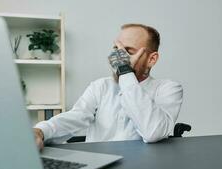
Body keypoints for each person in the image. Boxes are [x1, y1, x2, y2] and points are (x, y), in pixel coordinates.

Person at [33, 23, 183, 150]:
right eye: (116, 50)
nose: (117, 58)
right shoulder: (100, 86)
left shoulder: (168, 89)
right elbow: (76, 117)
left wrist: (125, 71)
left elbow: (153, 132)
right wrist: (40, 131)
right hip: (97, 167)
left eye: (127, 52)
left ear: (152, 59)